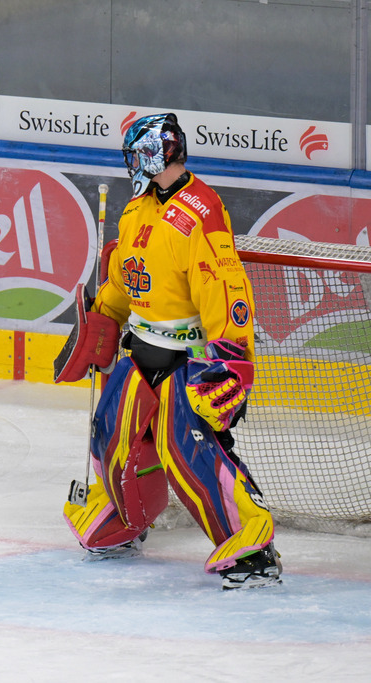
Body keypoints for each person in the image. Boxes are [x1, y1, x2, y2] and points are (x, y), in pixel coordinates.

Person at [53, 113, 282, 590]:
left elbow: (225, 289)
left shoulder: (202, 210)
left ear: (159, 153)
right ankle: (125, 520)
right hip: (139, 352)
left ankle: (253, 548)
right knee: (111, 437)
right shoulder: (137, 208)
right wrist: (103, 320)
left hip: (187, 360)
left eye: (137, 154)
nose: (131, 163)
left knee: (188, 452)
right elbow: (124, 279)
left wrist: (230, 360)